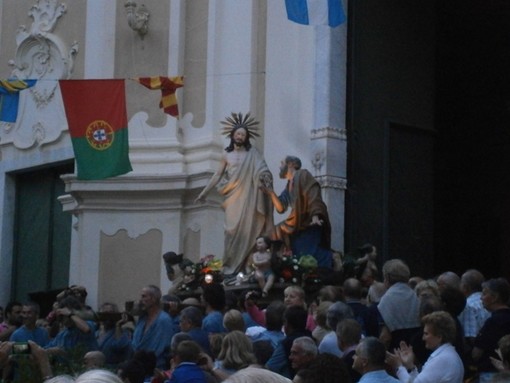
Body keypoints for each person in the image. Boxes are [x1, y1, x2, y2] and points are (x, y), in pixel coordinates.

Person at [195, 112, 274, 275]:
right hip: (232, 196)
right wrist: (204, 193)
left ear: (247, 137)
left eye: (243, 134)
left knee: (249, 230)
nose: (240, 136)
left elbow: (263, 169)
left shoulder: (253, 154)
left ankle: (246, 265)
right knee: (231, 231)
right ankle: (231, 264)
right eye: (238, 133)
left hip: (249, 196)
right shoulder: (226, 154)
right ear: (232, 135)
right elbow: (217, 175)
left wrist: (263, 176)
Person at [262, 156, 332, 268]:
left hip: (306, 219)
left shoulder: (303, 175)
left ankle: (332, 258)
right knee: (274, 233)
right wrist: (271, 193)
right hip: (296, 221)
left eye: (282, 163)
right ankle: (279, 264)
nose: (280, 167)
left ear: (291, 164)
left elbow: (313, 194)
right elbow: (281, 208)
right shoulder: (289, 184)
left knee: (307, 250)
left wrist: (315, 215)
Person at [386, 311, 464, 383]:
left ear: (439, 336)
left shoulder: (443, 359)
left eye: (426, 334)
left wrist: (399, 366)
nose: (423, 338)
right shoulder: (446, 355)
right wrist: (410, 366)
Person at [377, 259, 421, 351]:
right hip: (417, 349)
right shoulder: (417, 297)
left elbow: (385, 337)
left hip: (395, 351)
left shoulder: (385, 300)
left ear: (387, 277)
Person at [472, 278, 510, 383]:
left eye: (484, 294)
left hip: (491, 374)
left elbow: (476, 353)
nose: (481, 298)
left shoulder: (492, 322)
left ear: (494, 297)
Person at [131, 285, 174, 369]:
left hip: (156, 366)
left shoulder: (164, 320)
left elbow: (162, 345)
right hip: (138, 365)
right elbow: (135, 343)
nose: (141, 300)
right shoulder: (142, 319)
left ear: (153, 299)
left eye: (144, 296)